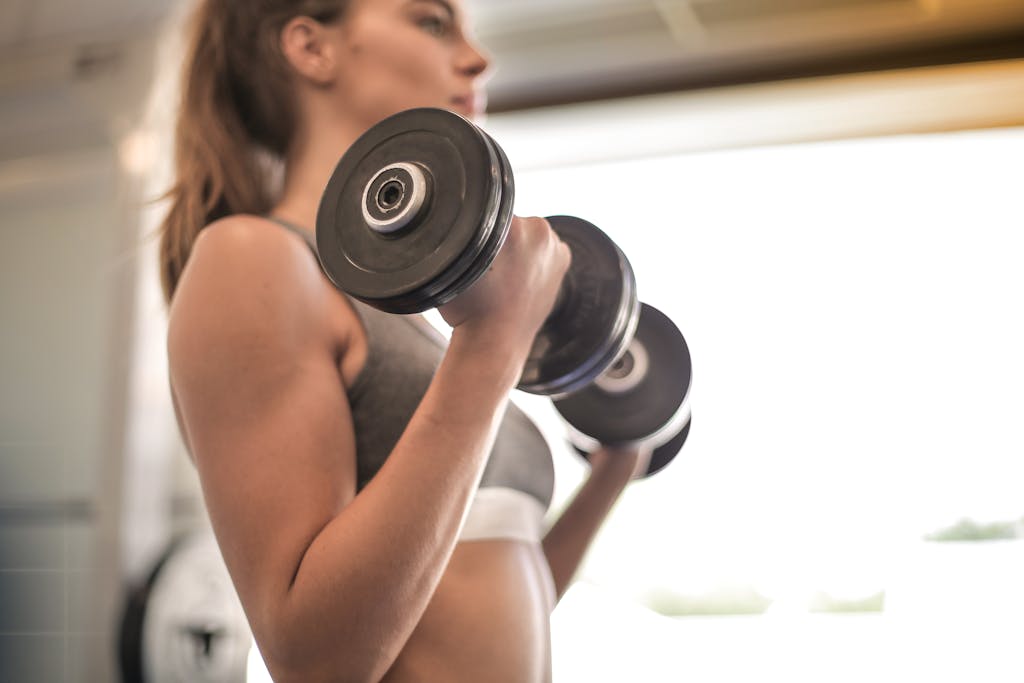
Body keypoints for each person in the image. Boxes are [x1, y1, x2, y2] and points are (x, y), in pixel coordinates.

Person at [160, 1, 647, 680]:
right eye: (432, 21)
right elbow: (315, 660)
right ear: (311, 48)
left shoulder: (420, 316)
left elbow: (494, 590)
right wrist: (495, 341)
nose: (477, 58)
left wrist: (615, 469)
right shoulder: (255, 259)